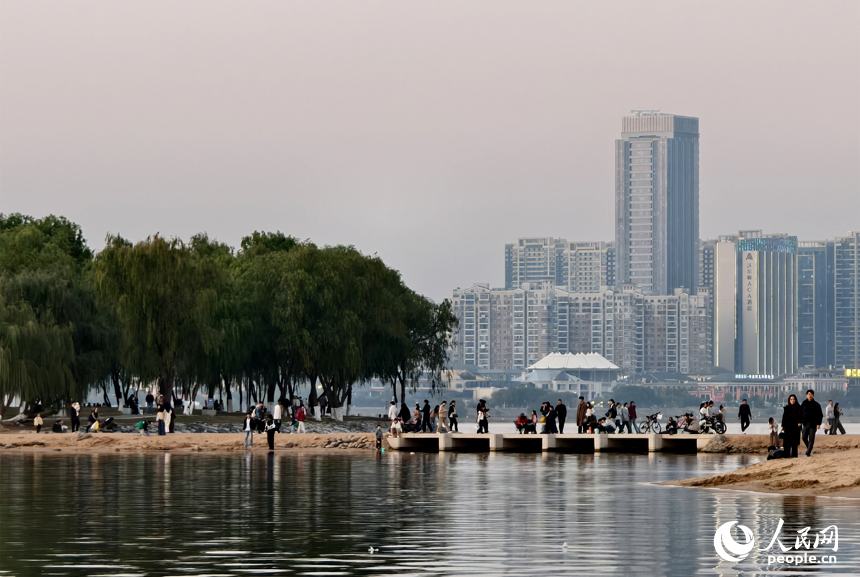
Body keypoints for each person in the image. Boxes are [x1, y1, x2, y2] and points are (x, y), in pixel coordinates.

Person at [800, 389, 823, 457]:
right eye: (808, 394)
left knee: (811, 438)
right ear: (806, 395)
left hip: (813, 424)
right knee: (804, 437)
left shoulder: (816, 405)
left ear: (813, 395)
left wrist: (818, 424)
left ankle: (808, 452)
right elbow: (800, 413)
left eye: (811, 394)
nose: (810, 395)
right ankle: (809, 448)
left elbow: (820, 415)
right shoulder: (804, 403)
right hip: (805, 423)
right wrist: (799, 421)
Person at [780, 394, 802, 458]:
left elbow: (801, 416)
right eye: (791, 399)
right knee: (787, 442)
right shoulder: (786, 408)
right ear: (789, 400)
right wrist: (782, 426)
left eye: (794, 399)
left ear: (796, 400)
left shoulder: (799, 408)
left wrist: (800, 422)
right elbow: (784, 417)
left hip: (796, 427)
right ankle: (786, 455)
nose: (792, 401)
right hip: (788, 427)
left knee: (794, 443)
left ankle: (794, 456)